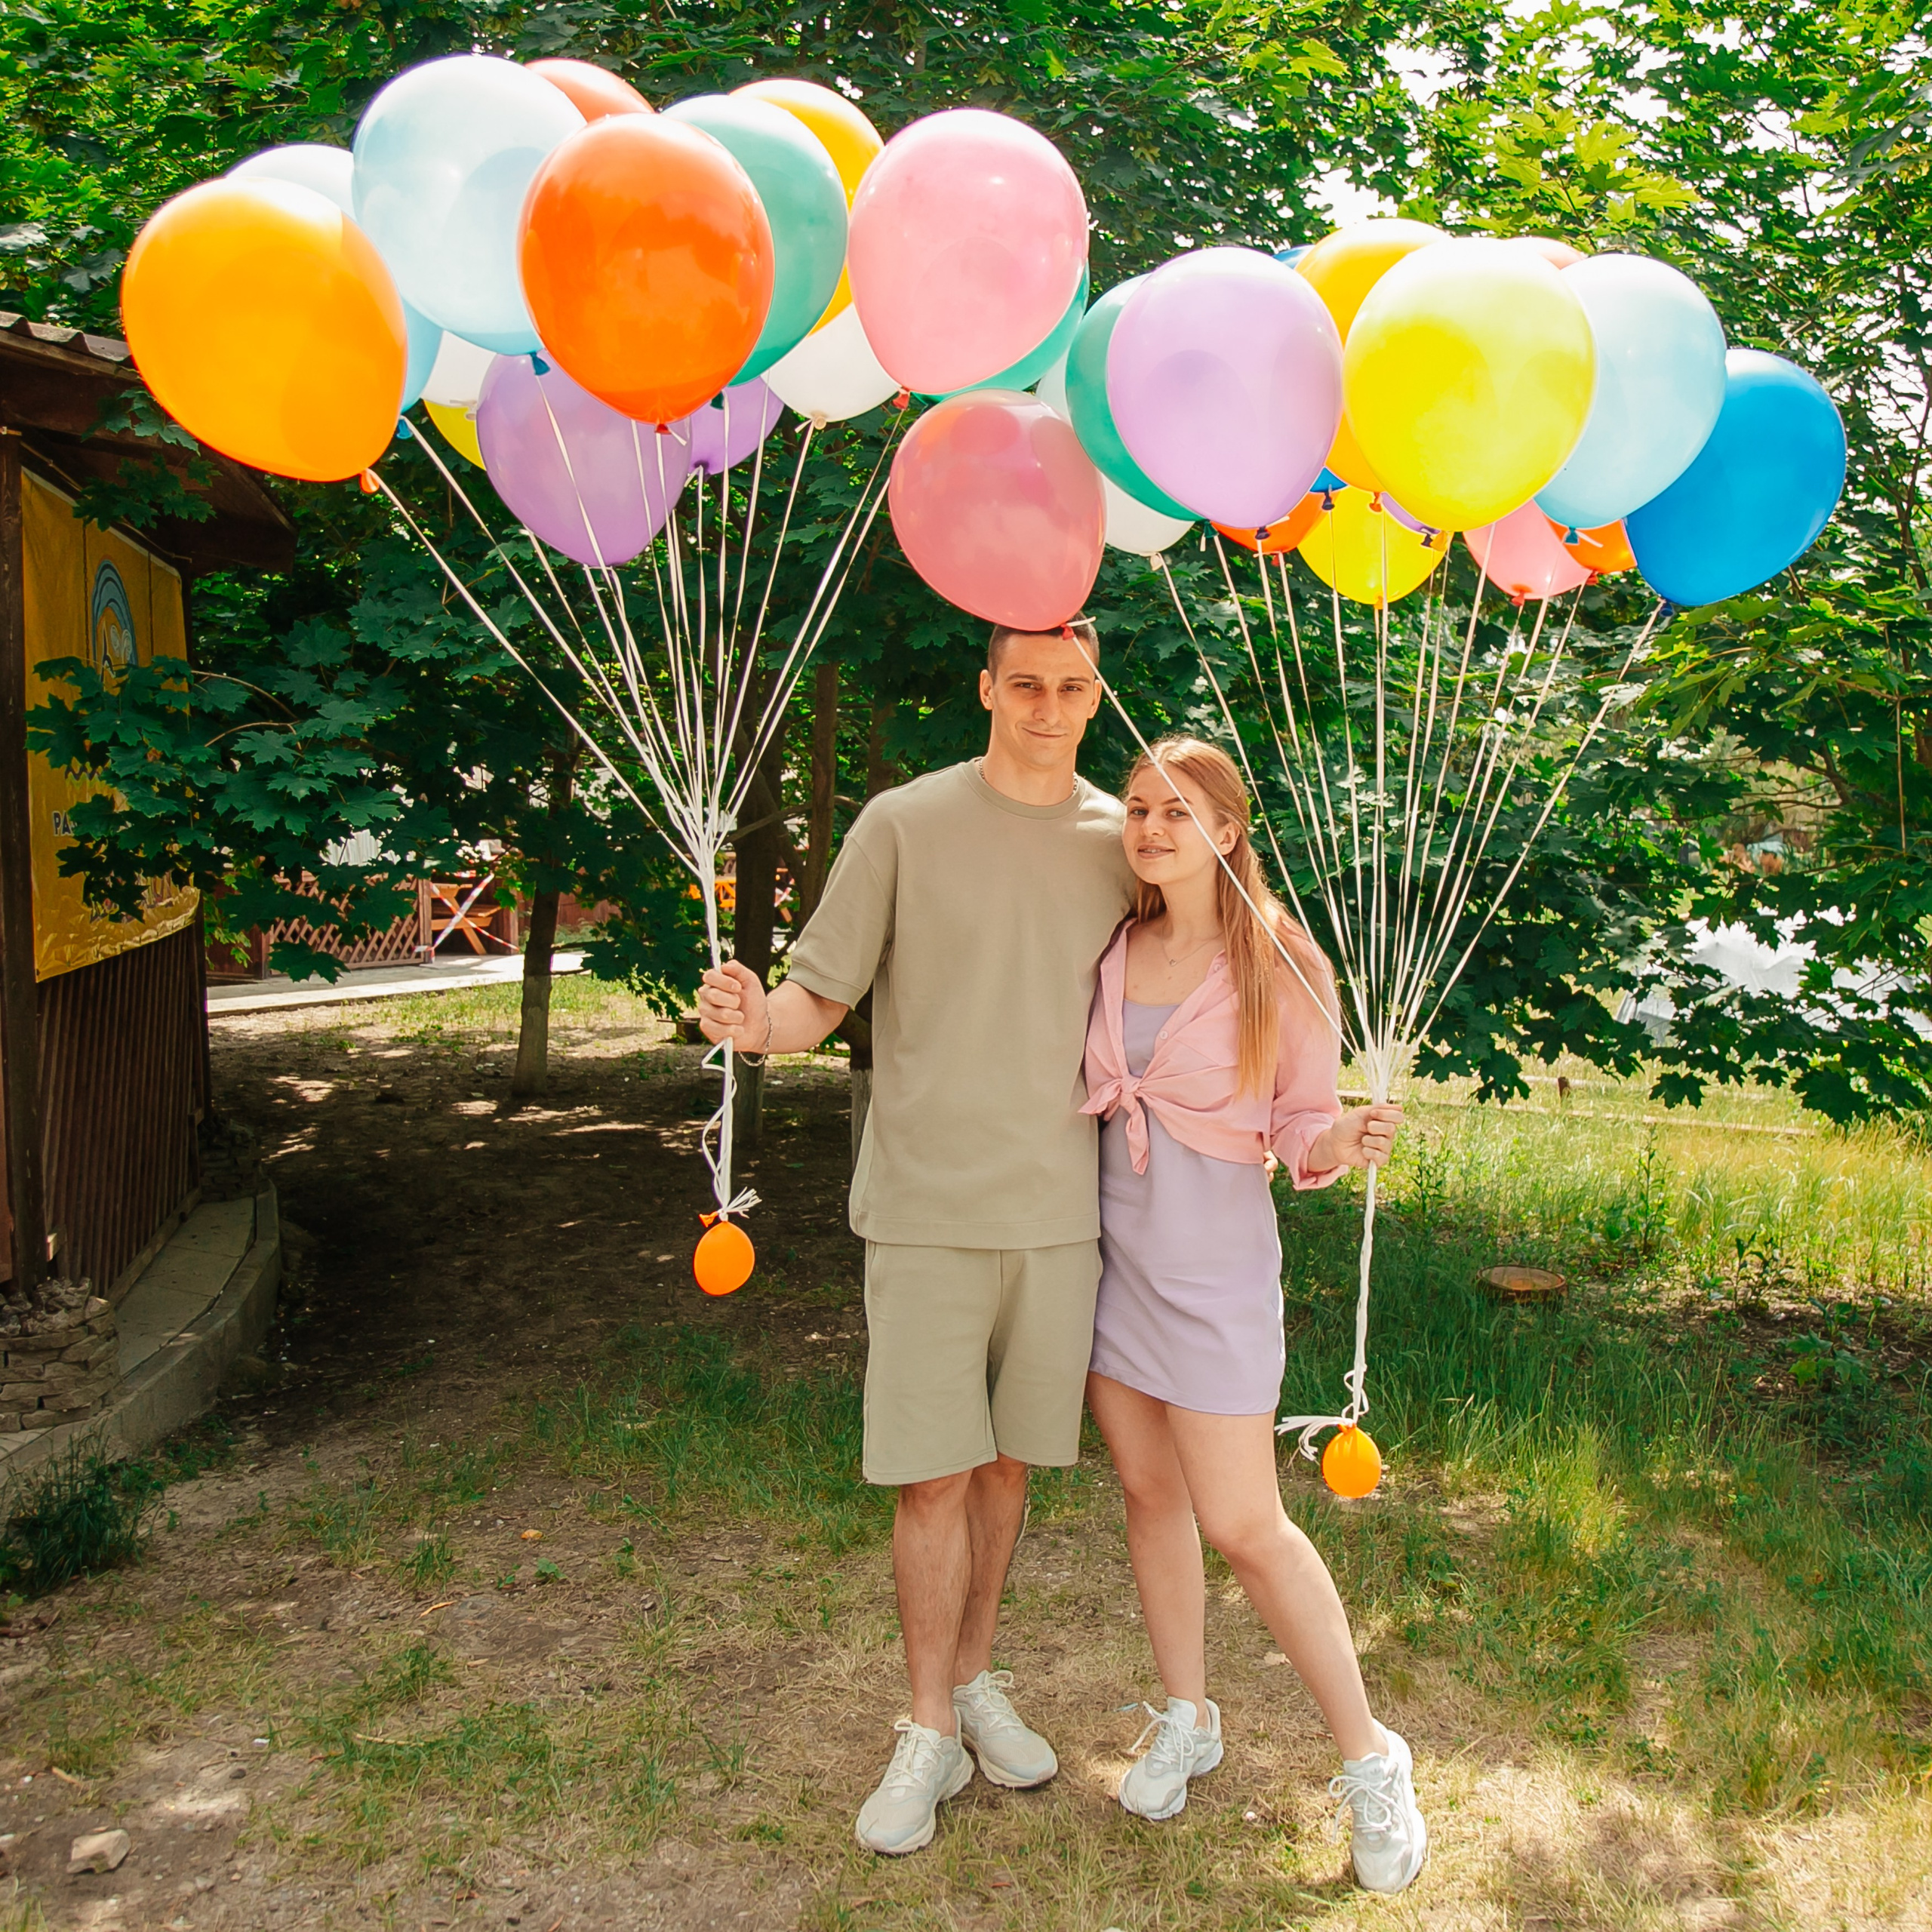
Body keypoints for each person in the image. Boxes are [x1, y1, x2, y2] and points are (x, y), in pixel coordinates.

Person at [697, 617, 1136, 1857]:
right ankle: (929, 1726)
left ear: (1095, 699)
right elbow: (818, 996)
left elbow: (1215, 971)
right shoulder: (902, 821)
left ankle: (982, 1678)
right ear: (985, 688)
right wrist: (753, 1019)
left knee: (1008, 1471)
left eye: (1073, 687)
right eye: (1028, 683)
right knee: (934, 1472)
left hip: (1064, 1219)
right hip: (930, 1210)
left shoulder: (1127, 842)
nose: (1049, 705)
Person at [1080, 735, 1428, 1895]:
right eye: (1135, 808)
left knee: (1246, 1523)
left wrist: (1342, 1140)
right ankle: (1189, 1714)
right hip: (1110, 1268)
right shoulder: (1113, 947)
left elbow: (1298, 1125)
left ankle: (1372, 1759)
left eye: (1178, 811)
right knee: (1147, 1495)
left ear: (1227, 832)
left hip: (1216, 1280)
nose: (1150, 827)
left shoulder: (1279, 957)